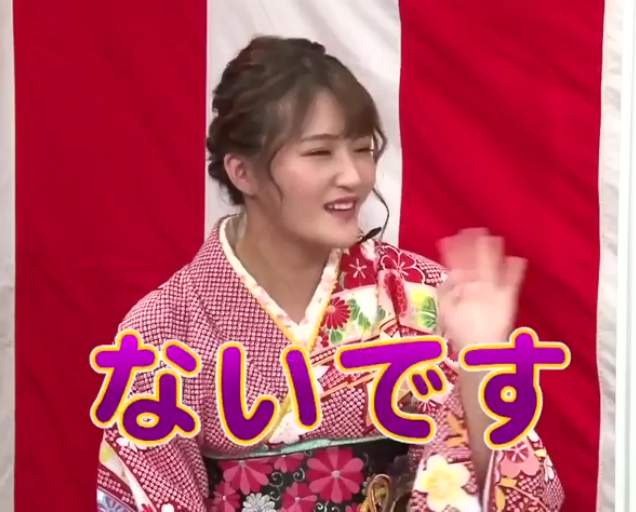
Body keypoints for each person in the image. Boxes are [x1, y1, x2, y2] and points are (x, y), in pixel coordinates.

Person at [96, 35, 563, 512]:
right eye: (320, 153)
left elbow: (520, 499)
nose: (355, 176)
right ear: (243, 172)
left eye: (362, 149)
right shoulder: (165, 328)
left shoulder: (418, 297)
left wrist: (481, 361)